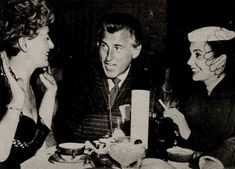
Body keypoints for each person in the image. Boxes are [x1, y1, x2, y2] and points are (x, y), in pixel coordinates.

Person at [54, 12, 164, 143]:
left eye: (117, 48)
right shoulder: (79, 76)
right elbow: (67, 130)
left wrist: (93, 120)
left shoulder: (148, 82)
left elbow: (152, 135)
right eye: (104, 46)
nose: (108, 57)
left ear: (136, 50)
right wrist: (127, 113)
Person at [164, 26, 235, 168]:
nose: (189, 62)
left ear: (220, 60)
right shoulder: (195, 95)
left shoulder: (232, 99)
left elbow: (222, 148)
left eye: (197, 55)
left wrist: (185, 129)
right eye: (191, 54)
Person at [0, 0, 57, 168]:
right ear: (24, 44)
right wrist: (16, 103)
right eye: (46, 38)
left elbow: (35, 144)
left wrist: (50, 94)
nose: (51, 45)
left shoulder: (37, 84)